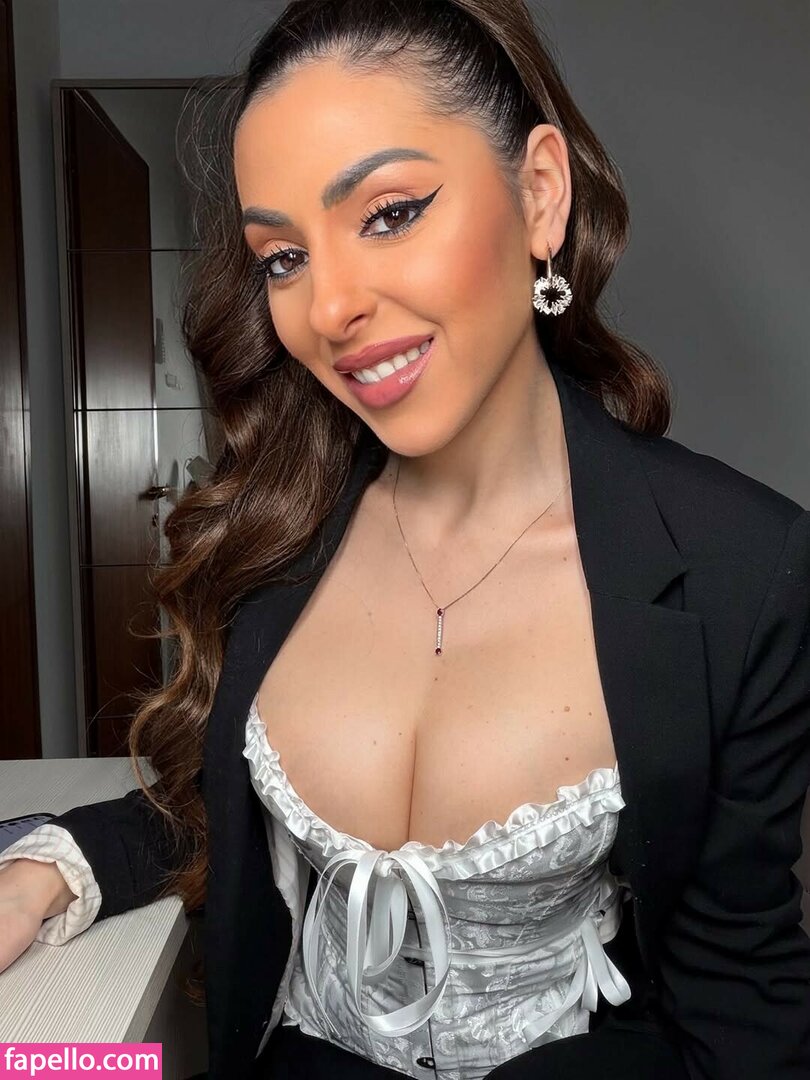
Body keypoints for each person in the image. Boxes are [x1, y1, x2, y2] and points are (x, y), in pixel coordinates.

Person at [1, 1, 809, 1077]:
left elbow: (741, 1005)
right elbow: (221, 802)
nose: (329, 307)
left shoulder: (743, 568)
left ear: (539, 194)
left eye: (389, 213)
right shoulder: (276, 527)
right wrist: (55, 867)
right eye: (283, 257)